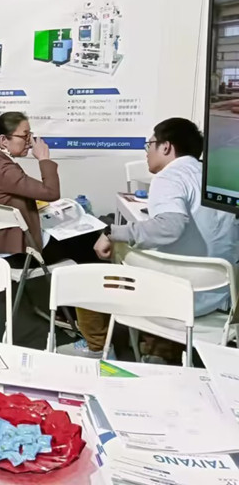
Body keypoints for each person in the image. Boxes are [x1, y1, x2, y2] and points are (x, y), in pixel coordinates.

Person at [82, 118, 239, 361]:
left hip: (175, 297)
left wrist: (112, 232)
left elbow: (170, 226)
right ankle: (162, 349)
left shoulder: (169, 177)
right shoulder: (216, 177)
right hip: (219, 297)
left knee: (87, 280)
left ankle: (98, 350)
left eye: (150, 144)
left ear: (166, 147)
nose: (147, 152)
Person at [0, 112, 103, 343]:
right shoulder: (5, 170)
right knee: (91, 242)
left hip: (0, 246)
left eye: (30, 135)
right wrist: (44, 159)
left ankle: (75, 311)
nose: (30, 141)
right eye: (25, 136)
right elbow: (51, 192)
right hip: (20, 253)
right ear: (4, 140)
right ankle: (92, 327)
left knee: (84, 237)